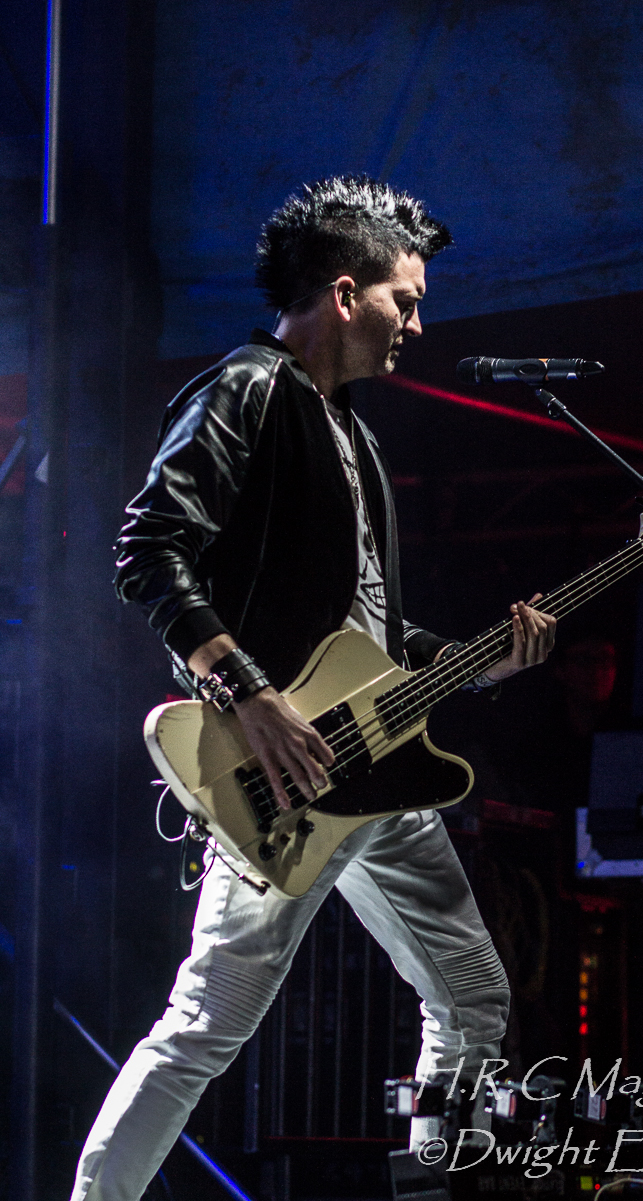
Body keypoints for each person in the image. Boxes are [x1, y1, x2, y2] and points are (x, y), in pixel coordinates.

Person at [70, 176, 556, 1200]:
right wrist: (247, 694)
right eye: (404, 301)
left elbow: (364, 630)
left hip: (382, 777)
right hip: (282, 775)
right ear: (344, 294)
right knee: (204, 1027)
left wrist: (480, 659)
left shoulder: (355, 436)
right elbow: (149, 552)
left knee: (473, 999)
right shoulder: (246, 389)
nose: (416, 326)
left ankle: (437, 1187)